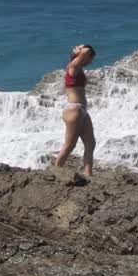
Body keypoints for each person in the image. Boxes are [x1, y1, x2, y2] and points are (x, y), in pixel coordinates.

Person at [53, 44, 97, 177]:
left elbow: (86, 53)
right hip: (74, 109)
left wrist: (79, 52)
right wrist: (79, 50)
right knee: (70, 145)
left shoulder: (78, 68)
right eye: (91, 58)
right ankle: (55, 171)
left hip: (81, 110)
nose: (91, 61)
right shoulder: (73, 67)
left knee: (90, 143)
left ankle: (88, 175)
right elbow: (86, 50)